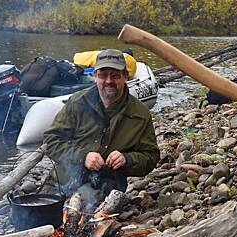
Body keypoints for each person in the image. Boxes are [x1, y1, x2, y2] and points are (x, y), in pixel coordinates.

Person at [43, 49, 160, 199]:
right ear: (94, 76)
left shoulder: (141, 113)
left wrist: (127, 159)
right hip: (64, 178)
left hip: (106, 185)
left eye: (115, 76)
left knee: (85, 213)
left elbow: (151, 156)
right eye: (103, 75)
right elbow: (52, 140)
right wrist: (83, 157)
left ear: (125, 77)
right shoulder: (77, 103)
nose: (109, 81)